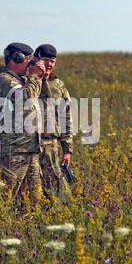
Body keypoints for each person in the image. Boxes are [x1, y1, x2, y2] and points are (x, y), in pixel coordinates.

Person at [0, 42, 45, 204]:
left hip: (30, 149)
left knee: (32, 201)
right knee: (2, 199)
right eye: (29, 59)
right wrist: (35, 77)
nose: (30, 64)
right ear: (17, 58)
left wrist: (41, 75)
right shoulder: (4, 80)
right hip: (11, 150)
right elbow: (26, 98)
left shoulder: (22, 80)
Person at [34, 44, 73, 201]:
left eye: (52, 61)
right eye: (45, 60)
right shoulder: (27, 83)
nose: (49, 65)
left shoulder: (59, 85)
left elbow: (66, 118)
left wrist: (68, 150)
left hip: (52, 146)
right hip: (30, 146)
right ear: (36, 60)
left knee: (55, 191)